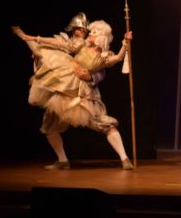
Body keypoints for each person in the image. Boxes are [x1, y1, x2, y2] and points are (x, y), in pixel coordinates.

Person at [13, 18, 134, 170]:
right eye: (91, 32)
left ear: (102, 37)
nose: (91, 34)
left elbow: (118, 58)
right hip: (66, 88)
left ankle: (124, 158)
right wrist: (35, 38)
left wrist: (125, 43)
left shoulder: (104, 56)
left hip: (85, 95)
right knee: (50, 127)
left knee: (104, 123)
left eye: (94, 33)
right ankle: (62, 160)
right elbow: (59, 44)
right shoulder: (81, 45)